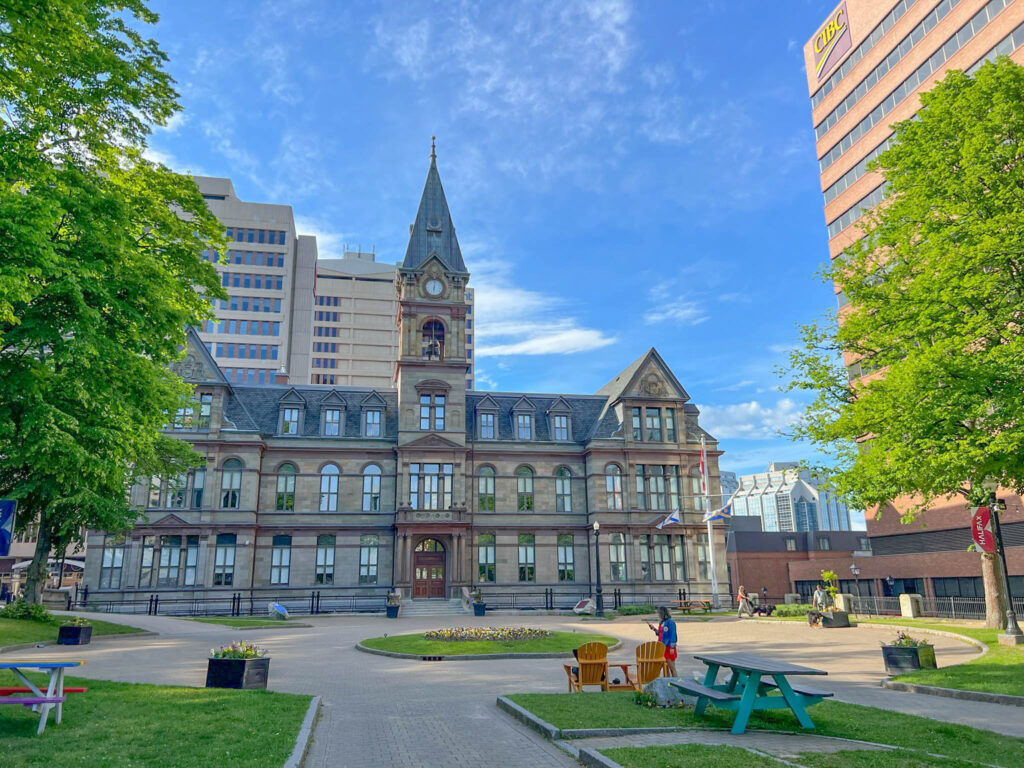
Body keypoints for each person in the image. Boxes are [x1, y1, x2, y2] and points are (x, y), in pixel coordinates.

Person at [647, 606, 678, 677]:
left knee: (672, 667)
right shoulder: (662, 622)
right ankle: (667, 683)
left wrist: (672, 647)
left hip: (669, 647)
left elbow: (672, 635)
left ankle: (676, 682)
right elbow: (661, 633)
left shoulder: (670, 622)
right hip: (662, 646)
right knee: (665, 668)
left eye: (659, 613)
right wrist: (654, 629)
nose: (658, 615)